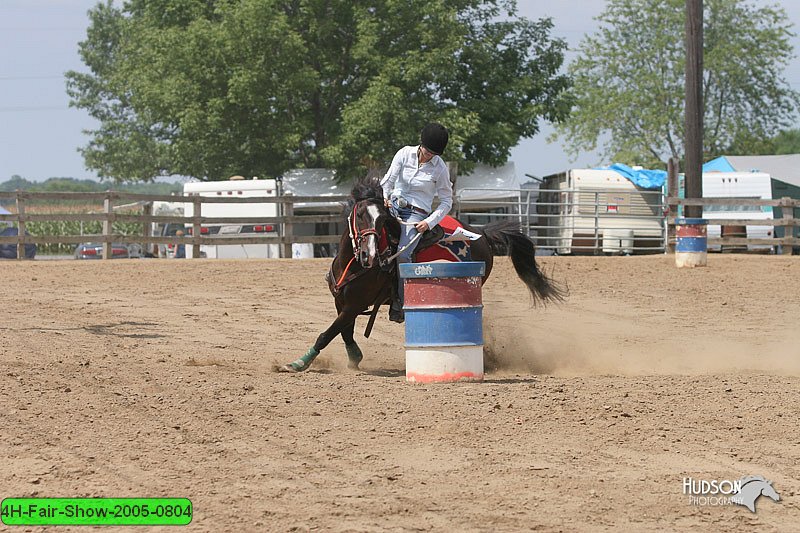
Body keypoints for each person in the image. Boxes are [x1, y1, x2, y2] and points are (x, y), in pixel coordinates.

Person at [380, 122, 452, 322]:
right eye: (427, 151)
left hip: (416, 215)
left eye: (433, 154)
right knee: (366, 228)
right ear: (421, 145)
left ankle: (403, 304)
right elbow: (388, 180)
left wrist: (429, 222)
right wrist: (385, 196)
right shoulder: (404, 154)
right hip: (393, 205)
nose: (429, 156)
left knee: (403, 253)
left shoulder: (440, 168)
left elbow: (447, 201)